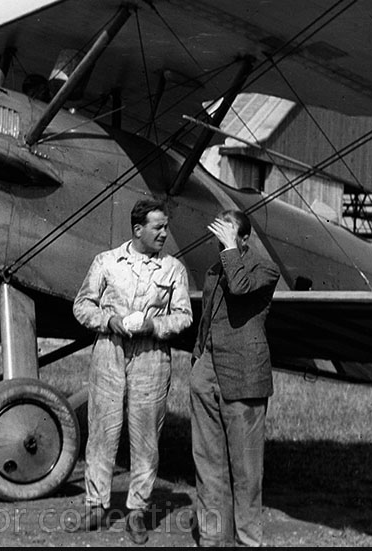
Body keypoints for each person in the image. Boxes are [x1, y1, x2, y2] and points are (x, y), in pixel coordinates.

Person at [69, 198, 193, 544]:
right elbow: (82, 305)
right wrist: (109, 320)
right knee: (102, 432)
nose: (165, 234)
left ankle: (138, 512)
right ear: (138, 230)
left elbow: (184, 316)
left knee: (146, 438)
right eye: (158, 227)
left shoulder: (173, 269)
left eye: (166, 227)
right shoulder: (106, 263)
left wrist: (154, 325)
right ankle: (96, 507)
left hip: (152, 358)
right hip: (109, 352)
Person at [190, 209, 281, 547]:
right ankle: (212, 539)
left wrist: (229, 249)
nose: (220, 241)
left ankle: (248, 541)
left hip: (244, 376)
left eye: (228, 235)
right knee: (207, 463)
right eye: (219, 234)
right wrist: (198, 360)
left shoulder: (264, 268)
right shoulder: (216, 271)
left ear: (244, 239)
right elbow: (208, 317)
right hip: (207, 372)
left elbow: (240, 287)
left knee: (246, 471)